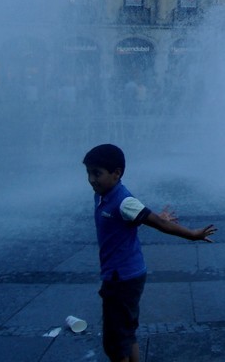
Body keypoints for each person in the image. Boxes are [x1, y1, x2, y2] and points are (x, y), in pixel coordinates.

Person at [82, 143, 216, 362]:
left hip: (122, 278)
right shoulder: (103, 195)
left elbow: (157, 223)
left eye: (97, 173)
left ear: (117, 173)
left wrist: (193, 234)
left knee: (115, 343)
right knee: (126, 331)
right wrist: (156, 217)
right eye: (88, 173)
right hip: (123, 274)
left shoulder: (123, 201)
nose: (91, 179)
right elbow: (139, 217)